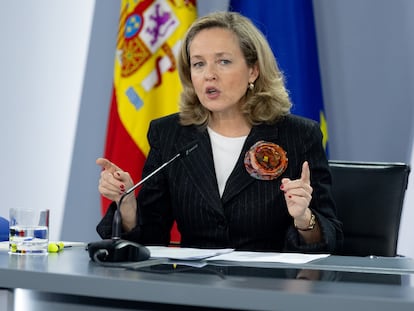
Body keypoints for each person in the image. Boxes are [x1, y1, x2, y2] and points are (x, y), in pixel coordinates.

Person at [96, 11, 343, 253]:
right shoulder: (170, 134)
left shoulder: (299, 136)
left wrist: (304, 218)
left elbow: (329, 237)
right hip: (193, 285)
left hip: (271, 286)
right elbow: (151, 236)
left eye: (223, 61)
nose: (209, 75)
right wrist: (127, 205)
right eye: (198, 64)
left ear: (253, 71)